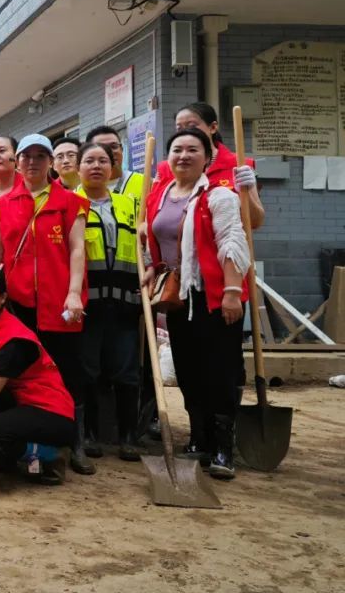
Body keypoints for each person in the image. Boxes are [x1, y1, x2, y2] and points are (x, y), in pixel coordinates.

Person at [143, 128, 250, 480]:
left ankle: (222, 446)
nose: (184, 156)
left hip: (214, 295)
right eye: (177, 150)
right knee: (188, 370)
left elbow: (233, 242)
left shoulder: (219, 195)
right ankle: (198, 436)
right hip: (178, 296)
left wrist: (232, 291)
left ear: (207, 157)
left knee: (217, 371)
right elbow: (152, 239)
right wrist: (150, 269)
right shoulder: (160, 195)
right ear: (168, 157)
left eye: (193, 149)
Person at [0, 134, 93, 474]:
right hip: (19, 305)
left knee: (67, 372)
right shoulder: (5, 203)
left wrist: (74, 292)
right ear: (17, 162)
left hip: (60, 303)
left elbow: (77, 249)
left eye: (40, 156)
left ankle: (74, 444)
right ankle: (33, 446)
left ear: (51, 162)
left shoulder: (70, 201)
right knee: (23, 373)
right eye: (26, 156)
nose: (33, 162)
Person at [0, 267, 76, 485]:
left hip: (50, 413)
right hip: (20, 400)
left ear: (2, 297)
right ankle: (2, 454)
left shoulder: (15, 340)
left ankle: (51, 455)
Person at [76, 141, 142, 461]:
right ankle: (88, 434)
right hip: (88, 305)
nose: (97, 166)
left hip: (126, 303)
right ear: (78, 168)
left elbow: (144, 248)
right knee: (87, 370)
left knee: (127, 370)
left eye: (103, 160)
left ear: (113, 167)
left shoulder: (128, 204)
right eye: (89, 161)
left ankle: (128, 436)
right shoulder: (69, 204)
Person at [156, 102, 265, 230]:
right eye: (180, 128)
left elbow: (255, 222)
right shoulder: (166, 168)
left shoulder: (240, 165)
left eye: (192, 126)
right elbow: (153, 217)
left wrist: (248, 190)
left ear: (213, 127)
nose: (186, 132)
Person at [83, 126, 144, 213]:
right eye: (101, 147)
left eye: (114, 146)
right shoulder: (78, 193)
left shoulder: (145, 183)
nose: (109, 152)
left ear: (122, 149)